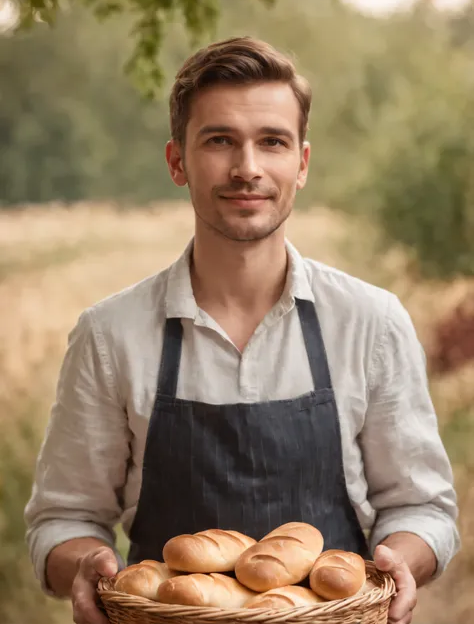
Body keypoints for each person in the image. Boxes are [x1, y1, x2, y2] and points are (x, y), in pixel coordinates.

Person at [25, 36, 459, 624]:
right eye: (219, 140)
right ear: (177, 161)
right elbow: (63, 519)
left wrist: (403, 559)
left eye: (272, 142)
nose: (247, 168)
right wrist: (83, 565)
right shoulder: (110, 334)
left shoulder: (371, 322)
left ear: (301, 164)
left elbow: (421, 507)